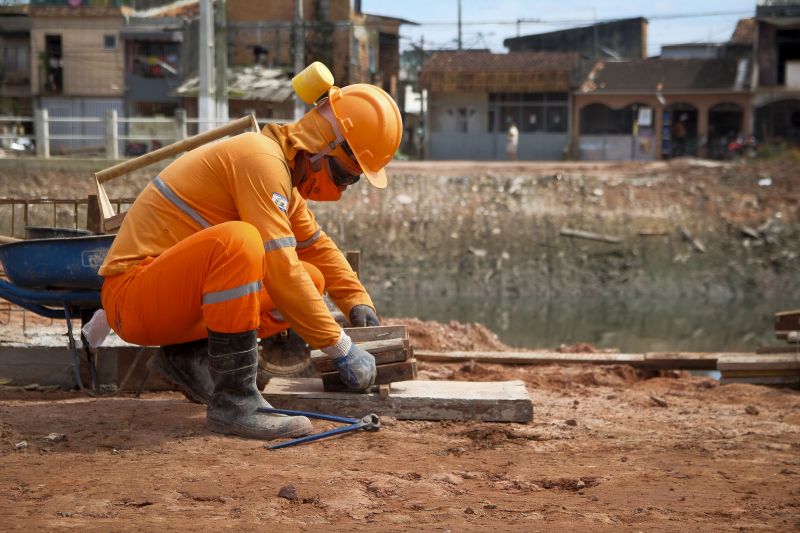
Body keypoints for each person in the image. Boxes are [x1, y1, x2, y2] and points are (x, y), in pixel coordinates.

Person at [98, 83, 402, 440]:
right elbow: (280, 267)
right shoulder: (260, 160)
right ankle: (235, 403)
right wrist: (340, 346)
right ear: (323, 147)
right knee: (240, 242)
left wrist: (357, 301)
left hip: (166, 302)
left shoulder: (281, 178)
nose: (344, 186)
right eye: (346, 176)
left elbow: (316, 246)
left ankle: (189, 356)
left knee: (313, 278)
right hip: (132, 299)